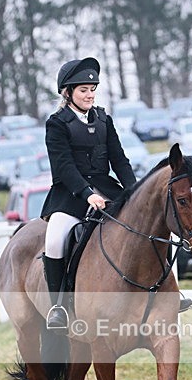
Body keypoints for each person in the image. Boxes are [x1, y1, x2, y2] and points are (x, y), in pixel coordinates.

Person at [40, 56, 137, 329]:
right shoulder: (57, 123)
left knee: (146, 221)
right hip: (70, 195)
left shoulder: (104, 119)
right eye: (83, 90)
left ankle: (167, 293)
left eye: (93, 90)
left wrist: (134, 189)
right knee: (55, 239)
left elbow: (119, 159)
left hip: (107, 189)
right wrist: (87, 193)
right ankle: (58, 306)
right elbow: (64, 166)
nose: (90, 95)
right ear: (68, 93)